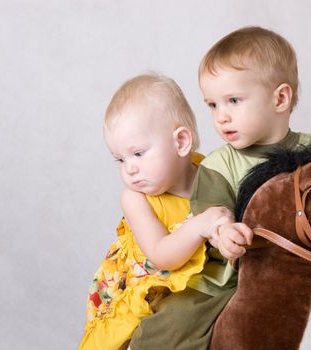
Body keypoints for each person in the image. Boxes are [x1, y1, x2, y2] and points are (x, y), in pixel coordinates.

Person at [130, 26, 311, 350]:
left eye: (233, 101)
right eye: (213, 105)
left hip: (303, 258)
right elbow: (213, 212)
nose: (222, 117)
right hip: (237, 270)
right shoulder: (219, 165)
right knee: (175, 324)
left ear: (280, 98)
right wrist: (223, 234)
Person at [79, 74, 232, 350]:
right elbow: (163, 256)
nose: (129, 168)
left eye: (138, 154)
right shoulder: (136, 199)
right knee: (161, 336)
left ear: (181, 142)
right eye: (120, 159)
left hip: (200, 286)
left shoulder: (210, 174)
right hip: (149, 291)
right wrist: (199, 225)